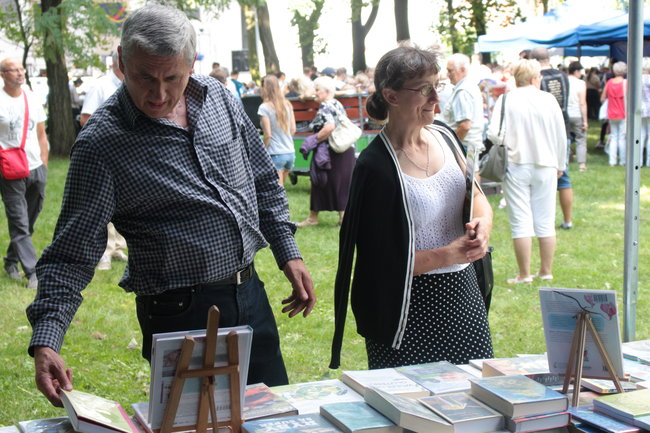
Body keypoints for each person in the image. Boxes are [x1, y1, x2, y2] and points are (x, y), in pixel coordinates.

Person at [26, 4, 315, 408]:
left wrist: (288, 253)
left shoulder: (219, 97)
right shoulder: (103, 143)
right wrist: (47, 341)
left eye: (172, 78)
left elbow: (263, 178)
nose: (159, 94)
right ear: (122, 62)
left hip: (249, 292)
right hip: (181, 312)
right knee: (195, 422)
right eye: (145, 77)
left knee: (270, 414)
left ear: (191, 64)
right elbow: (70, 256)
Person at [330, 45, 494, 370]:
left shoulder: (445, 136)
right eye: (424, 89)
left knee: (476, 394)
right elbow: (377, 264)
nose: (435, 97)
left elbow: (476, 197)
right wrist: (450, 253)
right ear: (391, 96)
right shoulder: (375, 167)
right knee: (412, 401)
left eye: (437, 86)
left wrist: (483, 227)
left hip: (463, 296)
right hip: (405, 309)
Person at [487, 59, 566, 284]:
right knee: (546, 219)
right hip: (547, 163)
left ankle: (524, 274)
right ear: (534, 78)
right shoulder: (548, 99)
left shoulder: (506, 99)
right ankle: (546, 271)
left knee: (520, 220)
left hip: (516, 163)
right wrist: (560, 164)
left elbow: (494, 133)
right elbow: (561, 135)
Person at [0, 58, 49, 289]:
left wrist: (44, 164)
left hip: (35, 167)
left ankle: (11, 261)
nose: (20, 73)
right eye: (14, 70)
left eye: (21, 69)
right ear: (3, 74)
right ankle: (33, 273)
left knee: (29, 219)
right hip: (10, 170)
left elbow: (41, 133)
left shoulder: (32, 97)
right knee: (19, 222)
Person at [79, 52, 128, 271]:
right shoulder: (100, 86)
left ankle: (117, 246)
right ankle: (104, 252)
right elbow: (85, 118)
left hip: (127, 156)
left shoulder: (131, 85)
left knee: (123, 203)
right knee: (105, 206)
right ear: (121, 63)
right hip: (106, 156)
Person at [296, 76, 355, 227]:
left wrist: (313, 140)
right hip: (344, 150)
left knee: (319, 182)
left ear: (327, 91)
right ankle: (343, 218)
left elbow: (329, 127)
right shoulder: (337, 103)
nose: (315, 93)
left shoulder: (326, 106)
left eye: (317, 90)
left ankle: (313, 218)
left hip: (332, 151)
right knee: (340, 185)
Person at [530, 47, 573, 230]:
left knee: (539, 177)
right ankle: (567, 220)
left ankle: (541, 222)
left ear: (533, 60)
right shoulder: (563, 76)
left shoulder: (536, 78)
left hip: (543, 132)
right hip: (564, 127)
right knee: (564, 178)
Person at [442, 53, 485, 155]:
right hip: (470, 147)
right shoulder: (470, 86)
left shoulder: (462, 91)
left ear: (462, 69)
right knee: (471, 166)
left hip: (464, 147)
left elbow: (465, 126)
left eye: (450, 71)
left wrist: (450, 145)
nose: (448, 74)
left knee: (467, 167)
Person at [258, 75, 296, 186]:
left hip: (275, 153)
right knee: (280, 190)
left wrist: (262, 150)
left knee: (277, 191)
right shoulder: (287, 104)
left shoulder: (264, 107)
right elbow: (293, 129)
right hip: (290, 152)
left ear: (265, 88)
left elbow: (268, 135)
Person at [601, 61, 627, 167]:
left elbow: (602, 98)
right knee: (622, 138)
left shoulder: (609, 82)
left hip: (611, 113)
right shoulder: (626, 83)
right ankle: (623, 161)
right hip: (623, 113)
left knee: (613, 136)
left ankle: (612, 161)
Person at [567, 61, 588, 172]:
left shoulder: (564, 80)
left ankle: (565, 160)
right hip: (577, 114)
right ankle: (582, 164)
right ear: (576, 71)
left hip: (565, 114)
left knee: (565, 138)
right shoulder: (581, 83)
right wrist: (585, 120)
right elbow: (582, 103)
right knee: (581, 139)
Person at [641, 66, 650, 167]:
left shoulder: (637, 79)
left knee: (641, 135)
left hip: (640, 109)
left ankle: (638, 161)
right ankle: (648, 161)